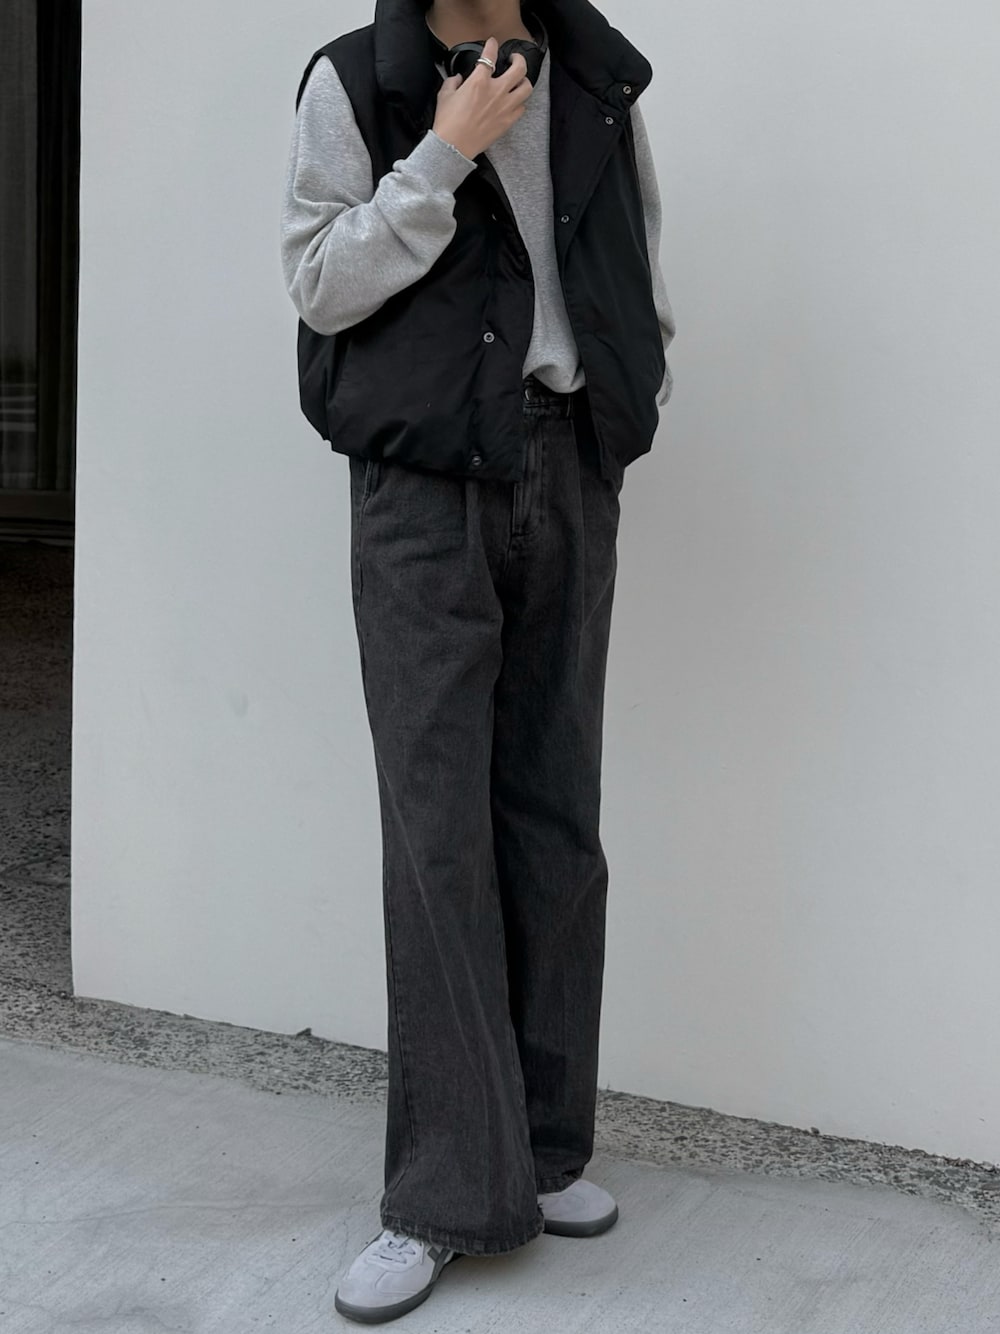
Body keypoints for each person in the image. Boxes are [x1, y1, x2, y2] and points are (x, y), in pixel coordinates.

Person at [280, 0, 675, 1321]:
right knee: (436, 832)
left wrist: (629, 398)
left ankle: (548, 1148)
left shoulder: (597, 76)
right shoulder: (359, 81)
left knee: (557, 816)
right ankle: (446, 1193)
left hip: (567, 467)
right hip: (422, 487)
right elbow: (319, 281)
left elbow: (635, 256)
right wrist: (442, 154)